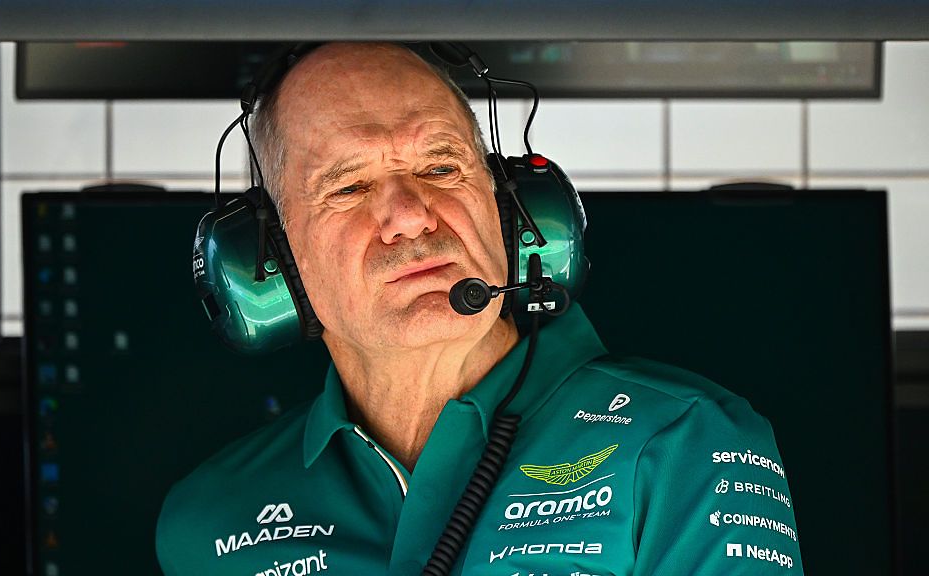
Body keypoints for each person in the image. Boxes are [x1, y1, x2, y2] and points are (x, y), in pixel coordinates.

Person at [156, 42, 804, 575]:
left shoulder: (684, 440)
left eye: (441, 168)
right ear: (267, 259)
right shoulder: (209, 523)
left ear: (510, 207)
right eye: (349, 186)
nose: (410, 215)